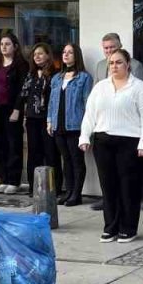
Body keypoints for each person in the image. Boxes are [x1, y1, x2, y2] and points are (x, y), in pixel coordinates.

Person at [79, 48, 143, 243]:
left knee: (128, 188)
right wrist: (84, 137)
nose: (114, 66)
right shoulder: (100, 87)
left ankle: (128, 228)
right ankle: (110, 227)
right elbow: (90, 114)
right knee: (108, 187)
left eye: (119, 62)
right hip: (103, 141)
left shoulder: (139, 87)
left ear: (128, 64)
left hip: (130, 143)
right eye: (111, 63)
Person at [49, 43, 92, 206]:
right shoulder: (57, 78)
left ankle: (77, 194)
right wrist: (49, 120)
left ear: (77, 56)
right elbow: (52, 102)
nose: (66, 55)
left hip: (75, 125)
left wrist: (87, 127)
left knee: (76, 160)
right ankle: (68, 192)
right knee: (65, 159)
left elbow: (88, 102)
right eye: (64, 52)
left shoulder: (84, 77)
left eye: (70, 52)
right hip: (58, 124)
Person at [0, 33, 28, 194]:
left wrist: (17, 109)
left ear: (15, 46)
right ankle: (4, 178)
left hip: (12, 109)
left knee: (14, 145)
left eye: (7, 44)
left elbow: (22, 90)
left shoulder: (21, 65)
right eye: (2, 44)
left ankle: (14, 180)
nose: (4, 47)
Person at [20, 42, 58, 195]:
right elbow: (24, 95)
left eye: (41, 53)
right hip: (32, 118)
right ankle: (33, 186)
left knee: (50, 153)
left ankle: (52, 187)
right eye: (35, 54)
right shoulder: (31, 74)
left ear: (48, 55)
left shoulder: (55, 74)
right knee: (33, 153)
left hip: (47, 118)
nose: (37, 57)